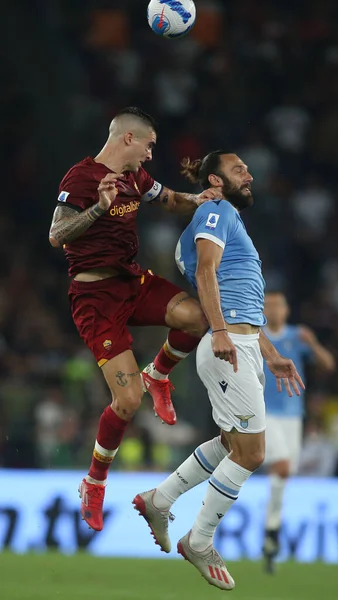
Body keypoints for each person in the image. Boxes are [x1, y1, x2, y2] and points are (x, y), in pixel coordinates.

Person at [133, 151, 304, 590]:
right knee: (252, 454)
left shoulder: (225, 217)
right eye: (239, 169)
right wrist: (224, 331)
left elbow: (238, 295)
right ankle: (200, 540)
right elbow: (207, 272)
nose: (249, 174)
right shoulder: (216, 210)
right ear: (216, 178)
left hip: (243, 343)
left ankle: (161, 498)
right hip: (228, 345)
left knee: (233, 443)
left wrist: (268, 351)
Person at [48, 107, 220, 532]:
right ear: (129, 139)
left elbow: (169, 200)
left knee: (195, 318)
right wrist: (98, 210)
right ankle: (94, 482)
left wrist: (200, 200)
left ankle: (158, 374)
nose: (149, 154)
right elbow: (56, 234)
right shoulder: (82, 179)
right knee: (126, 402)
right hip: (94, 297)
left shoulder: (136, 179)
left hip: (132, 280)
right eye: (148, 145)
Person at [262, 291, 336, 573]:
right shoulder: (257, 335)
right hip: (265, 414)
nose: (275, 309)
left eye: (279, 305)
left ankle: (271, 534)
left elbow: (328, 364)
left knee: (283, 476)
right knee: (281, 466)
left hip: (294, 417)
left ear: (287, 309)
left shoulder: (297, 335)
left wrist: (314, 344)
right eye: (269, 305)